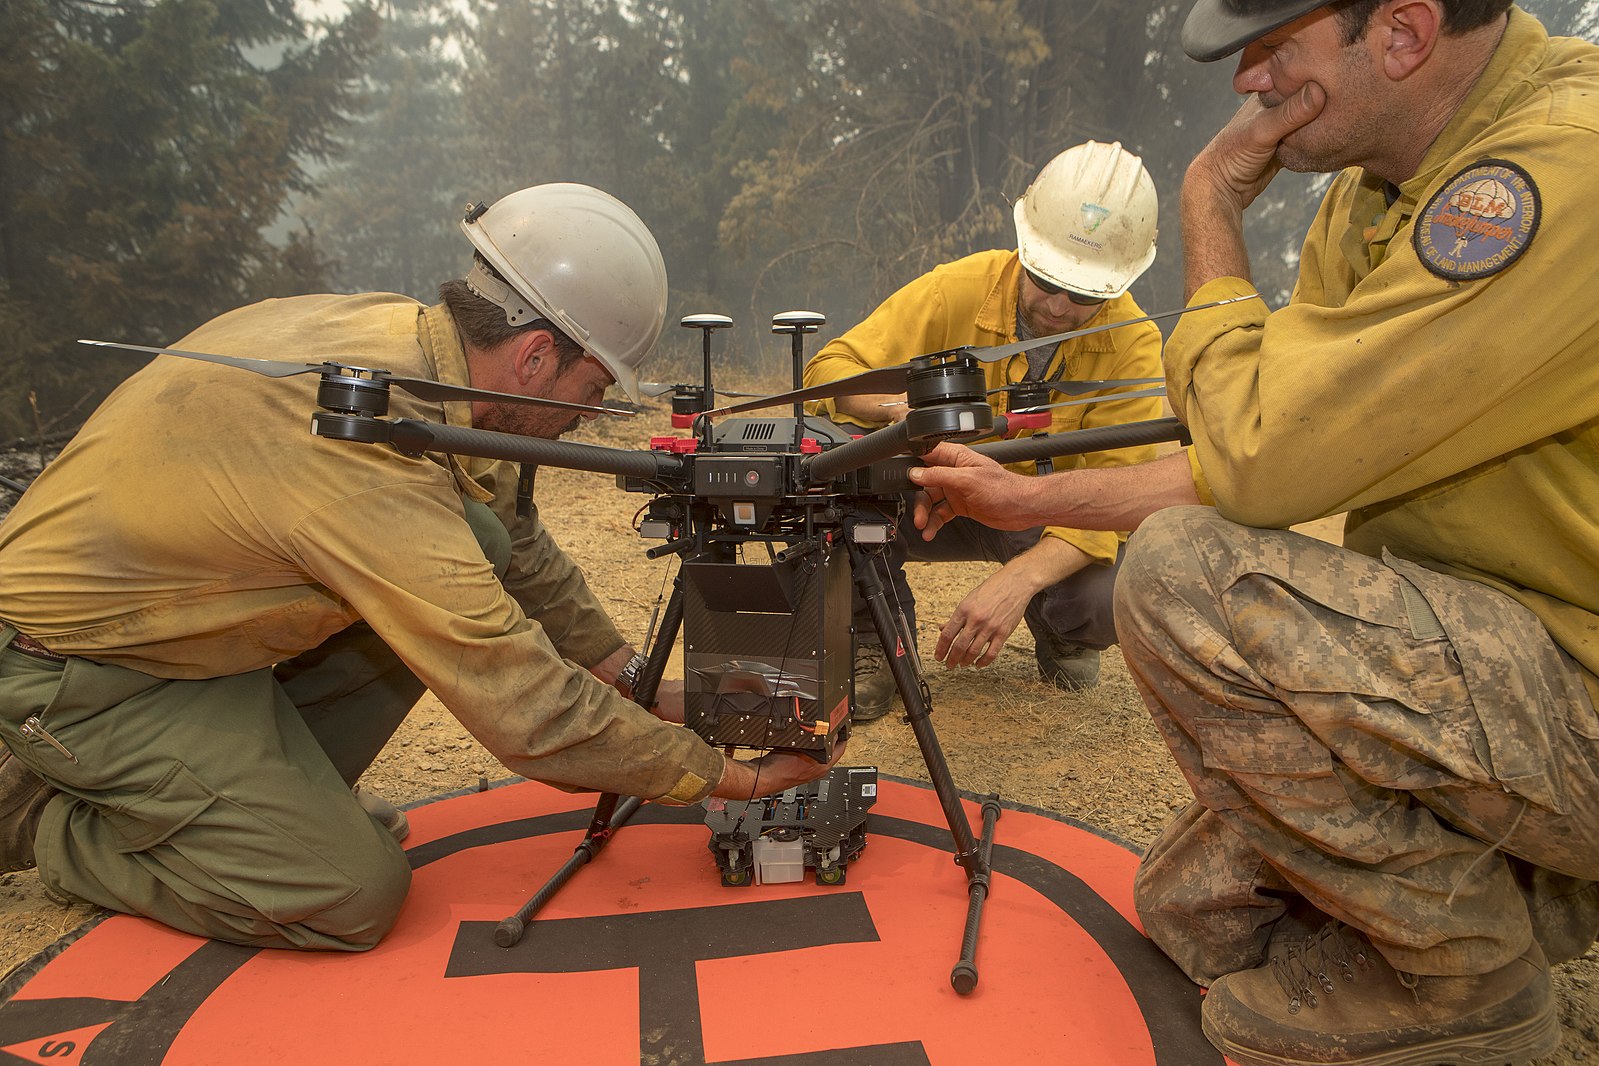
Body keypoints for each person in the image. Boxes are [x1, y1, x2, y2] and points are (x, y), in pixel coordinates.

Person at [907, 2, 1599, 1063]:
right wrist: (1023, 497)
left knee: (1179, 580)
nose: (1248, 86)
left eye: (1275, 49)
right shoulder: (1373, 192)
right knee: (1194, 908)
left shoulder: (1558, 170)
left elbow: (1261, 454)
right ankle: (1496, 889)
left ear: (1405, 33)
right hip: (1484, 668)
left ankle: (1470, 981)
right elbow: (1238, 461)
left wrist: (1210, 205)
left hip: (1574, 681)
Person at [0, 183, 842, 951]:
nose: (589, 415)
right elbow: (527, 711)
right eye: (594, 388)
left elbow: (510, 533)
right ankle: (50, 822)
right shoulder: (360, 457)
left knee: (478, 539)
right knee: (346, 891)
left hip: (192, 632)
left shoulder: (412, 354)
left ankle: (244, 798)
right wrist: (729, 775)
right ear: (536, 358)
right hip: (79, 671)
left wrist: (632, 679)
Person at [802, 141, 1164, 720]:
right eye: (1047, 280)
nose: (1060, 307)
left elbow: (1118, 500)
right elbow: (832, 370)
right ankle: (875, 644)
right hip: (929, 499)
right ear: (1025, 247)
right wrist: (897, 413)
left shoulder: (1138, 344)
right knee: (832, 484)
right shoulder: (959, 287)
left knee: (1108, 591)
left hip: (1040, 516)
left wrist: (1015, 584)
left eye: (1087, 294)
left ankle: (1065, 629)